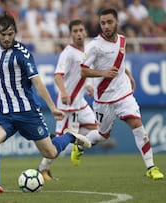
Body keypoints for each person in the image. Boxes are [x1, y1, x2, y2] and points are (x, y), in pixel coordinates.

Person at [0, 12, 92, 194]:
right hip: (3, 114)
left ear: (15, 33)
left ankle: (70, 137)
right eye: (3, 34)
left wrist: (52, 107)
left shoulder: (22, 54)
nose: (6, 38)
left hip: (27, 113)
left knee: (50, 153)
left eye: (10, 34)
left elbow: (37, 82)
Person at [80, 8, 164, 180]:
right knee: (103, 135)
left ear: (117, 22)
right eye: (103, 23)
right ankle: (80, 145)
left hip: (124, 93)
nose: (106, 26)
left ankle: (151, 167)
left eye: (110, 22)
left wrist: (128, 74)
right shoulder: (95, 46)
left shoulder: (123, 40)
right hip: (103, 98)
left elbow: (119, 62)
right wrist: (103, 73)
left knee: (138, 126)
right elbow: (83, 71)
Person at [37, 19, 98, 181]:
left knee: (96, 130)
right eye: (75, 31)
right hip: (68, 105)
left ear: (85, 32)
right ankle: (42, 169)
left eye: (81, 30)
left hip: (80, 102)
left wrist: (89, 86)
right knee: (58, 145)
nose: (78, 34)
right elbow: (58, 74)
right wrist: (63, 92)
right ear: (71, 34)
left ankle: (76, 143)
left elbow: (82, 74)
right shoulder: (68, 52)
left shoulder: (86, 51)